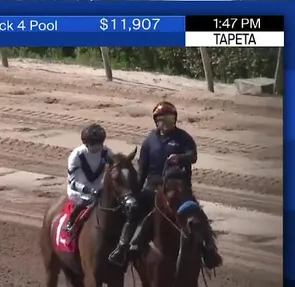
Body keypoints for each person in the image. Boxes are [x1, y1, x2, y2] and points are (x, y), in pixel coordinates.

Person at [109, 101, 222, 268]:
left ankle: (209, 250)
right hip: (152, 186)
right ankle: (122, 248)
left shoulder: (183, 138)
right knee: (134, 212)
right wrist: (137, 192)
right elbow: (142, 169)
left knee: (197, 213)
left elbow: (193, 156)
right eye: (162, 119)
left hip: (178, 186)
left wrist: (180, 157)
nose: (166, 123)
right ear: (156, 121)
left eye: (169, 119)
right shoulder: (149, 141)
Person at [62, 124, 111, 236]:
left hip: (100, 192)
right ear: (86, 143)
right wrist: (90, 190)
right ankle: (71, 224)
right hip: (80, 193)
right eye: (93, 145)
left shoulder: (107, 153)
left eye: (99, 144)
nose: (97, 148)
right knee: (83, 202)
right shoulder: (76, 156)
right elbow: (73, 183)